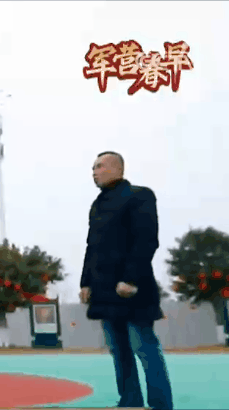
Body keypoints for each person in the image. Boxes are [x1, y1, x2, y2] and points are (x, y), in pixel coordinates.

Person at [80, 151, 173, 410]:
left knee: (144, 347)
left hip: (133, 290)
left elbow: (146, 239)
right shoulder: (97, 205)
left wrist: (130, 279)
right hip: (104, 291)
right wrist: (85, 282)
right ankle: (130, 401)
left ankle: (160, 405)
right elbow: (92, 247)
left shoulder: (139, 196)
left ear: (116, 168)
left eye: (99, 166)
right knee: (119, 351)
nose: (94, 172)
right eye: (93, 168)